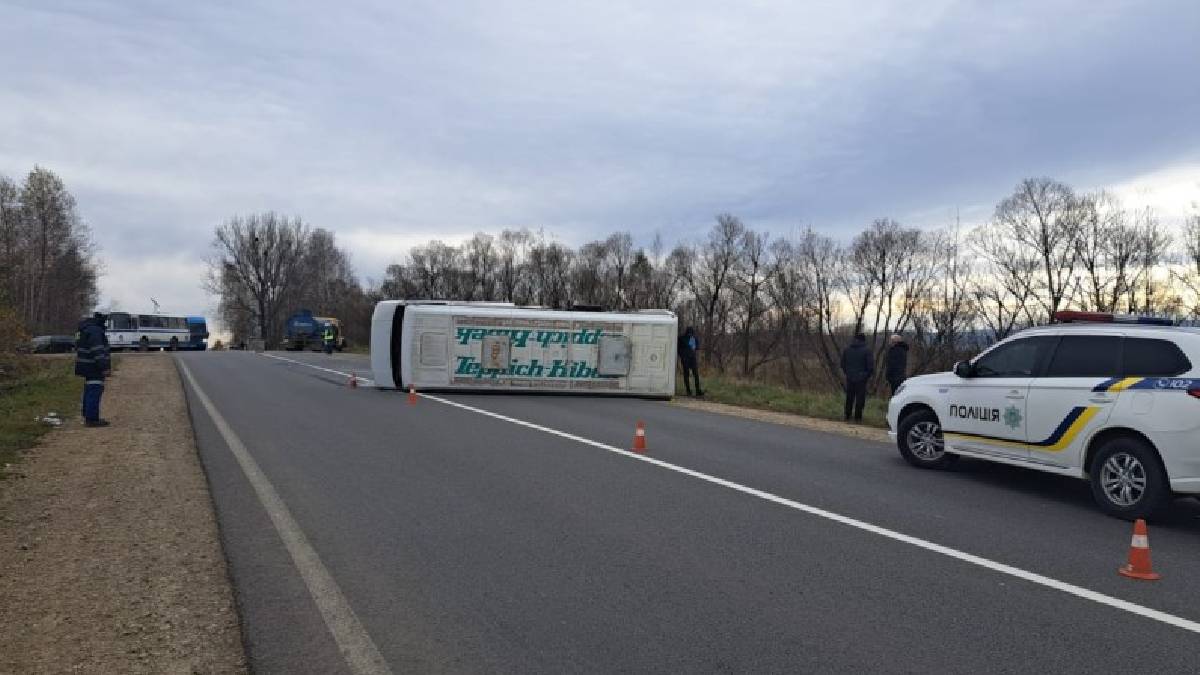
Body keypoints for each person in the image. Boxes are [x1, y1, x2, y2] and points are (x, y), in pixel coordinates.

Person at [75, 312, 112, 427]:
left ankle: (87, 414)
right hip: (93, 366)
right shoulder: (95, 331)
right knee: (95, 390)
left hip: (85, 364)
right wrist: (104, 367)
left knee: (89, 389)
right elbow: (98, 350)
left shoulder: (85, 329)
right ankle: (92, 419)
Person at [840, 332, 874, 422]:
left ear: (855, 339)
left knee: (849, 397)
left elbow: (842, 364)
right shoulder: (867, 350)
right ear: (864, 340)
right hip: (862, 378)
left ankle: (847, 415)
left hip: (850, 377)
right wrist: (866, 376)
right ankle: (858, 418)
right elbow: (870, 367)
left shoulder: (847, 349)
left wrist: (847, 373)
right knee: (860, 398)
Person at [677, 326, 704, 397]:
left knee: (694, 374)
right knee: (688, 374)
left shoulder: (692, 338)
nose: (690, 334)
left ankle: (696, 391)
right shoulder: (681, 338)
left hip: (691, 358)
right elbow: (678, 349)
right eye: (689, 333)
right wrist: (682, 355)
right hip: (686, 358)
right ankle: (689, 391)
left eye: (691, 333)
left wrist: (682, 355)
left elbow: (697, 348)